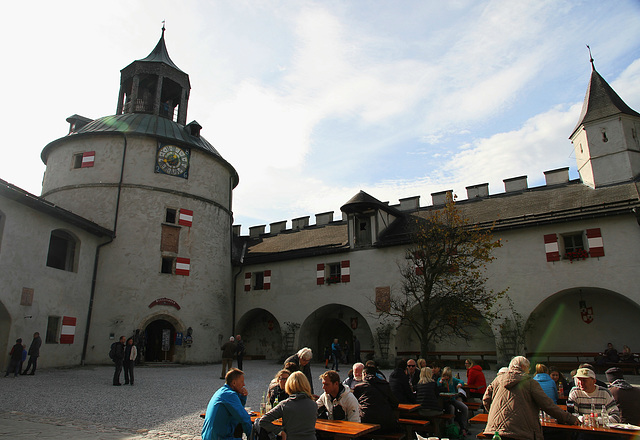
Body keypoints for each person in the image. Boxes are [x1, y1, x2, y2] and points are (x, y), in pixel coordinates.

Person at [483, 356, 578, 440]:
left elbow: (486, 399)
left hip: (495, 430)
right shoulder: (530, 383)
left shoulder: (497, 380)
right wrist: (569, 418)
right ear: (524, 368)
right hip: (521, 430)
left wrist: (494, 415)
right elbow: (547, 405)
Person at [260, 371, 317, 440]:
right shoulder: (313, 404)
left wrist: (280, 432)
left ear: (289, 385)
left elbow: (263, 420)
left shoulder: (285, 404)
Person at [202, 368, 252, 440]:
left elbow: (238, 410)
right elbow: (244, 418)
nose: (244, 384)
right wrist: (251, 437)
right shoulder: (229, 394)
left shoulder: (222, 391)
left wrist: (242, 397)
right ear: (234, 383)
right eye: (242, 382)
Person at [353, 365, 399, 433]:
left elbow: (354, 404)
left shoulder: (359, 387)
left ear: (364, 374)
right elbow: (395, 403)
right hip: (386, 424)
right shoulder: (384, 385)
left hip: (366, 422)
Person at [438, 366, 469, 436]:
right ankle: (451, 427)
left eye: (448, 376)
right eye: (445, 376)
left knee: (464, 408)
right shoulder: (440, 380)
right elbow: (438, 386)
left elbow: (461, 381)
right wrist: (441, 381)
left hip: (452, 399)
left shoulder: (453, 380)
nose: (447, 378)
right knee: (452, 409)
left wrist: (459, 384)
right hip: (445, 401)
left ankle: (464, 427)